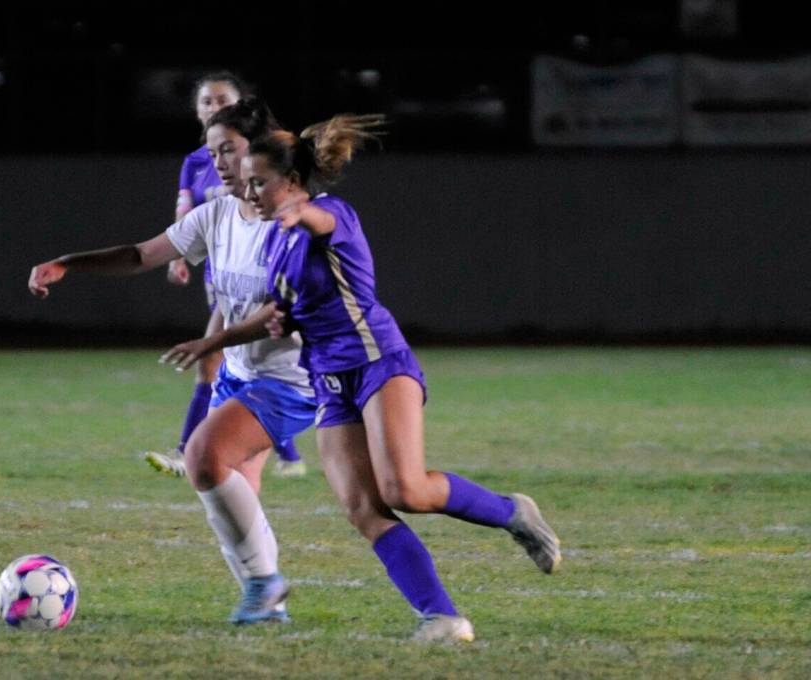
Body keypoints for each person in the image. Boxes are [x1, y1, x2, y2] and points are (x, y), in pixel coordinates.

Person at [162, 116, 562, 642]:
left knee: (406, 489)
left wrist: (298, 213)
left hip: (377, 360)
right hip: (327, 376)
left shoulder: (330, 212)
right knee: (362, 508)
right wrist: (217, 340)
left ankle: (511, 512)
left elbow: (319, 223)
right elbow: (276, 313)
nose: (249, 189)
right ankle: (441, 616)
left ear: (291, 182)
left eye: (260, 181)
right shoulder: (272, 244)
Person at [28, 98, 314, 624]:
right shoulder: (216, 215)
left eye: (229, 150)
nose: (220, 164)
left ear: (260, 152)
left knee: (204, 457)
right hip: (242, 374)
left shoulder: (291, 219)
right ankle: (266, 602)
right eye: (212, 153)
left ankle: (265, 584)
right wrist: (68, 263)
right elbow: (142, 254)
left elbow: (288, 306)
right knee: (230, 493)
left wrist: (212, 340)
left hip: (294, 378)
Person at [146, 72, 306, 479]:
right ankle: (277, 453)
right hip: (222, 278)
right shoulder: (196, 164)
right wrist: (176, 254)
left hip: (259, 283)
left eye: (222, 101)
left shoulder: (273, 167)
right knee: (231, 366)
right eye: (206, 101)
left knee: (226, 359)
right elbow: (184, 215)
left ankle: (194, 448)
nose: (213, 108)